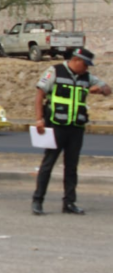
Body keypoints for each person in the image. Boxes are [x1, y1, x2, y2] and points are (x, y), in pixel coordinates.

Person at [31, 47, 110, 215]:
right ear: (77, 61)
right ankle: (38, 201)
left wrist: (100, 90)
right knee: (48, 164)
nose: (87, 68)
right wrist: (39, 119)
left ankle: (69, 203)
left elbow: (107, 89)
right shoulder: (55, 71)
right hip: (56, 125)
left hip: (76, 127)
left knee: (72, 166)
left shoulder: (86, 77)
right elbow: (40, 95)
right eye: (86, 64)